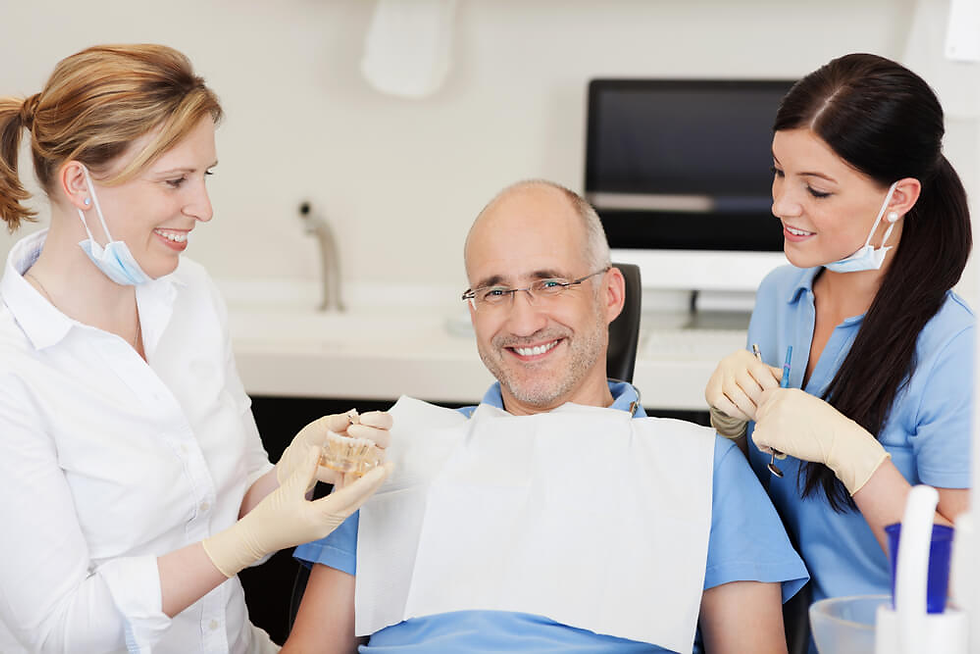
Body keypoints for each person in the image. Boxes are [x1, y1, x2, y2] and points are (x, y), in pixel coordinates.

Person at [285, 180, 808, 654]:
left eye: (550, 283)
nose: (524, 320)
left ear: (609, 295)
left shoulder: (702, 469)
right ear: (473, 311)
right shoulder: (397, 456)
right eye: (495, 291)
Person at [0, 44, 393, 654]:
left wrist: (296, 468)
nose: (202, 208)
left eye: (204, 176)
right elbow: (60, 630)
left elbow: (226, 501)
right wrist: (250, 541)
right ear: (80, 182)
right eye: (174, 181)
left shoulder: (190, 296)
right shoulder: (14, 365)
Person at [704, 53, 973, 645]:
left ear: (899, 198)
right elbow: (762, 507)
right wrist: (727, 432)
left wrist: (857, 457)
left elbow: (953, 587)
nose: (781, 205)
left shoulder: (955, 351)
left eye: (817, 190)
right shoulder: (781, 296)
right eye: (778, 172)